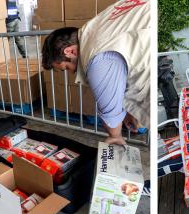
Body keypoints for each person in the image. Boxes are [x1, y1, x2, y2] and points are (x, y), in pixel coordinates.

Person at [42, 0, 150, 145]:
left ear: (70, 51)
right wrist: (128, 112)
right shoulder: (97, 28)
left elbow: (110, 117)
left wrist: (115, 135)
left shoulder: (97, 57)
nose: (72, 74)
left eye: (66, 68)